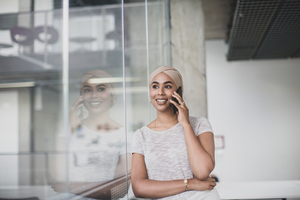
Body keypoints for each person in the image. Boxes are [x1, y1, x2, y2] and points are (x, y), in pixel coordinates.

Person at [131, 66, 220, 200]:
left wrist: (185, 125)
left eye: (167, 86)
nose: (160, 92)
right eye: (155, 86)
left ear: (178, 91)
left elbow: (202, 172)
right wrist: (190, 183)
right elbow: (139, 188)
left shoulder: (200, 125)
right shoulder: (141, 136)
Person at [50, 70, 131, 200]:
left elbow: (119, 190)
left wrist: (70, 186)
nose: (94, 95)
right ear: (81, 96)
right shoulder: (71, 128)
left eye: (101, 89)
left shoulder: (125, 136)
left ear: (112, 95)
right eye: (87, 90)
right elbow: (56, 175)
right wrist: (70, 129)